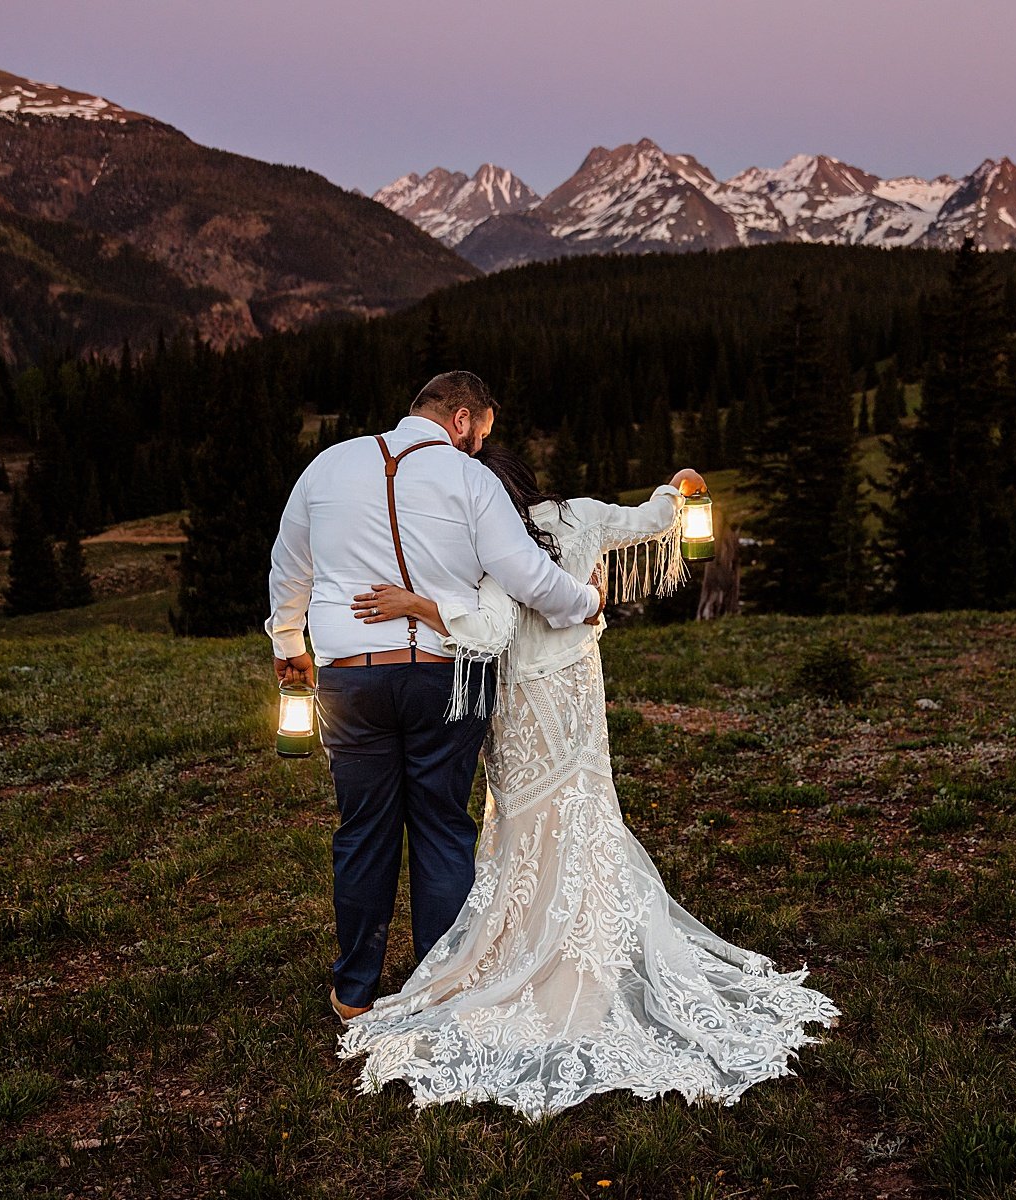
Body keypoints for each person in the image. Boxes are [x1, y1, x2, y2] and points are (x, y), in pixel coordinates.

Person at [334, 443, 840, 1120]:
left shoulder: (493, 544)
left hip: (524, 707)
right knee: (583, 811)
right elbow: (652, 520)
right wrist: (681, 484)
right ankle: (588, 953)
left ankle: (542, 954)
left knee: (526, 824)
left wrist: (416, 606)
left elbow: (485, 632)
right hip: (577, 697)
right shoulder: (584, 518)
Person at [264, 372, 606, 1024]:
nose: (480, 446)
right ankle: (441, 994)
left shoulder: (328, 466)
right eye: (483, 431)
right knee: (443, 830)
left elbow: (289, 568)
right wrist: (586, 602)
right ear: (461, 417)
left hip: (353, 679)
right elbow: (528, 577)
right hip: (449, 678)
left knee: (362, 831)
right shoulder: (470, 480)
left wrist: (288, 643)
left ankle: (355, 995)